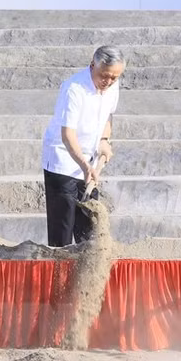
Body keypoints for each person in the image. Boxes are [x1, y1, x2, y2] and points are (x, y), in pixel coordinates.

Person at [42, 46, 124, 247]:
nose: (109, 82)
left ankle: (85, 276)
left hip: (90, 161)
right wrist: (84, 166)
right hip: (63, 162)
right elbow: (67, 134)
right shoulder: (74, 88)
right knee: (62, 230)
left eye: (114, 77)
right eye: (104, 76)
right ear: (92, 65)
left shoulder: (112, 85)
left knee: (89, 229)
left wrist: (104, 140)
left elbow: (108, 116)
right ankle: (60, 276)